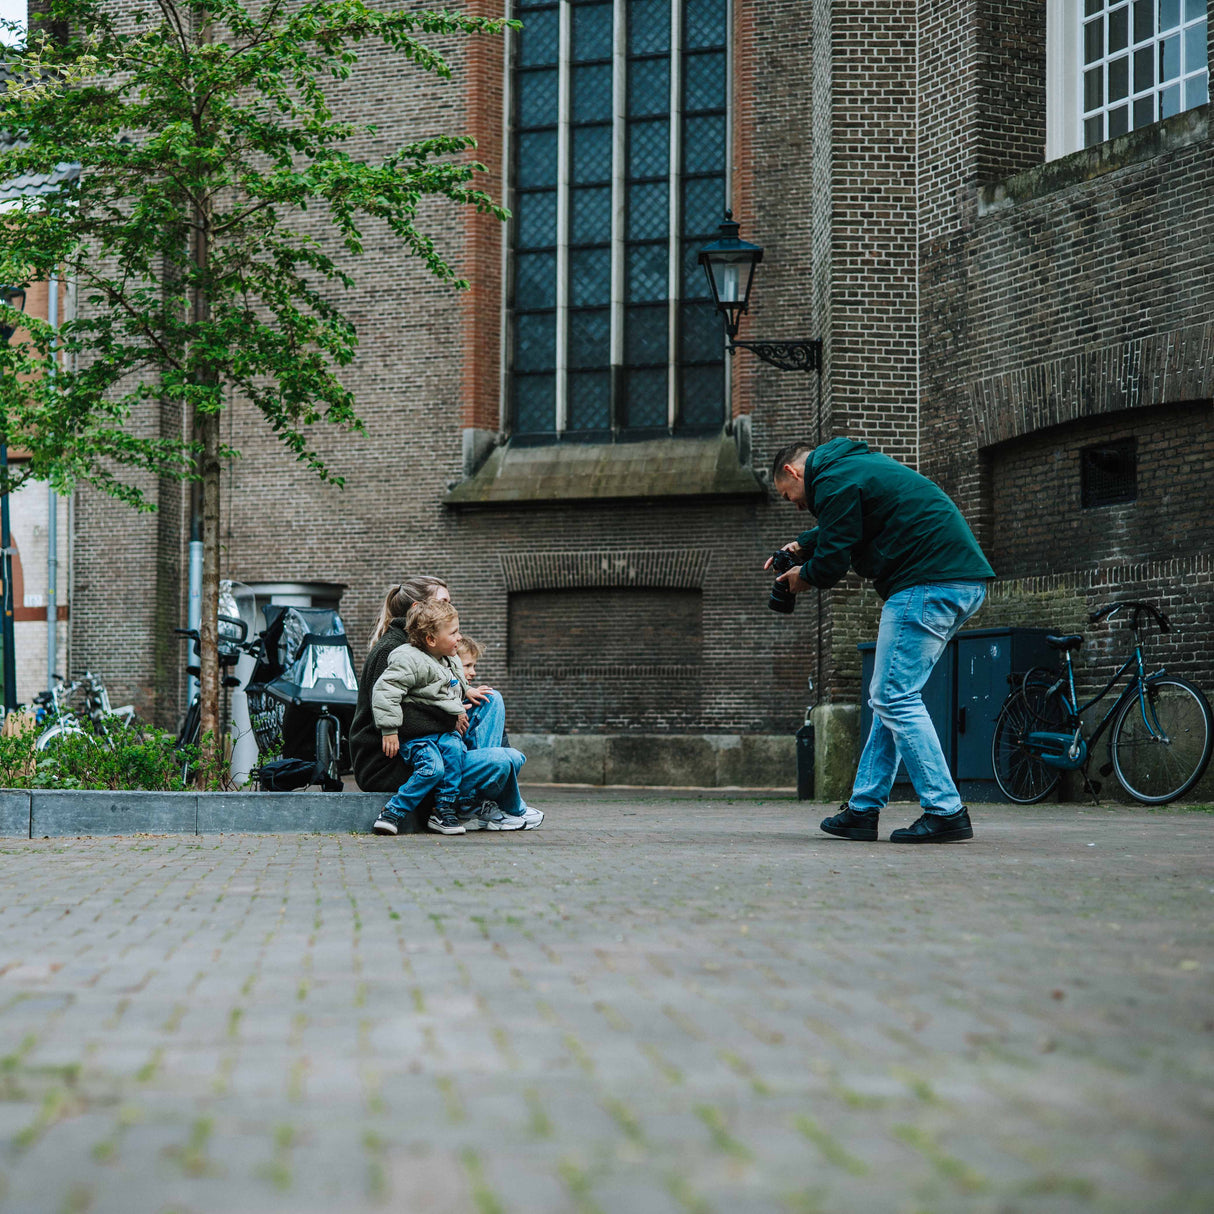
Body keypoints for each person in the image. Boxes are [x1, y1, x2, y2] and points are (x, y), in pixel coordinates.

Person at [768, 437, 995, 843]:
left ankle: (945, 811)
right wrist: (802, 544)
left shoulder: (834, 479)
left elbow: (836, 557)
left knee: (894, 697)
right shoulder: (848, 470)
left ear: (792, 472)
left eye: (790, 498)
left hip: (928, 582)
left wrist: (800, 578)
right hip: (954, 580)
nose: (797, 505)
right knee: (890, 695)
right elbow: (847, 524)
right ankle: (863, 809)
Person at [351, 581, 543, 831]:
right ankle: (470, 801)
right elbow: (391, 710)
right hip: (394, 762)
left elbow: (441, 687)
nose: (450, 608)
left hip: (433, 741)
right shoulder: (395, 651)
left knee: (490, 700)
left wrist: (465, 693)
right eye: (443, 603)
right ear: (420, 609)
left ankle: (481, 800)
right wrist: (451, 719)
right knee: (503, 760)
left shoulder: (428, 650)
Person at [370, 599, 473, 836]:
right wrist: (390, 730)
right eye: (454, 632)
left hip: (444, 731)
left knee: (455, 753)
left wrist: (469, 691)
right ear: (431, 640)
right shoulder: (409, 659)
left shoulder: (449, 657)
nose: (459, 637)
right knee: (433, 769)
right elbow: (385, 691)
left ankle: (443, 809)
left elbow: (457, 682)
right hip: (420, 736)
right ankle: (393, 811)